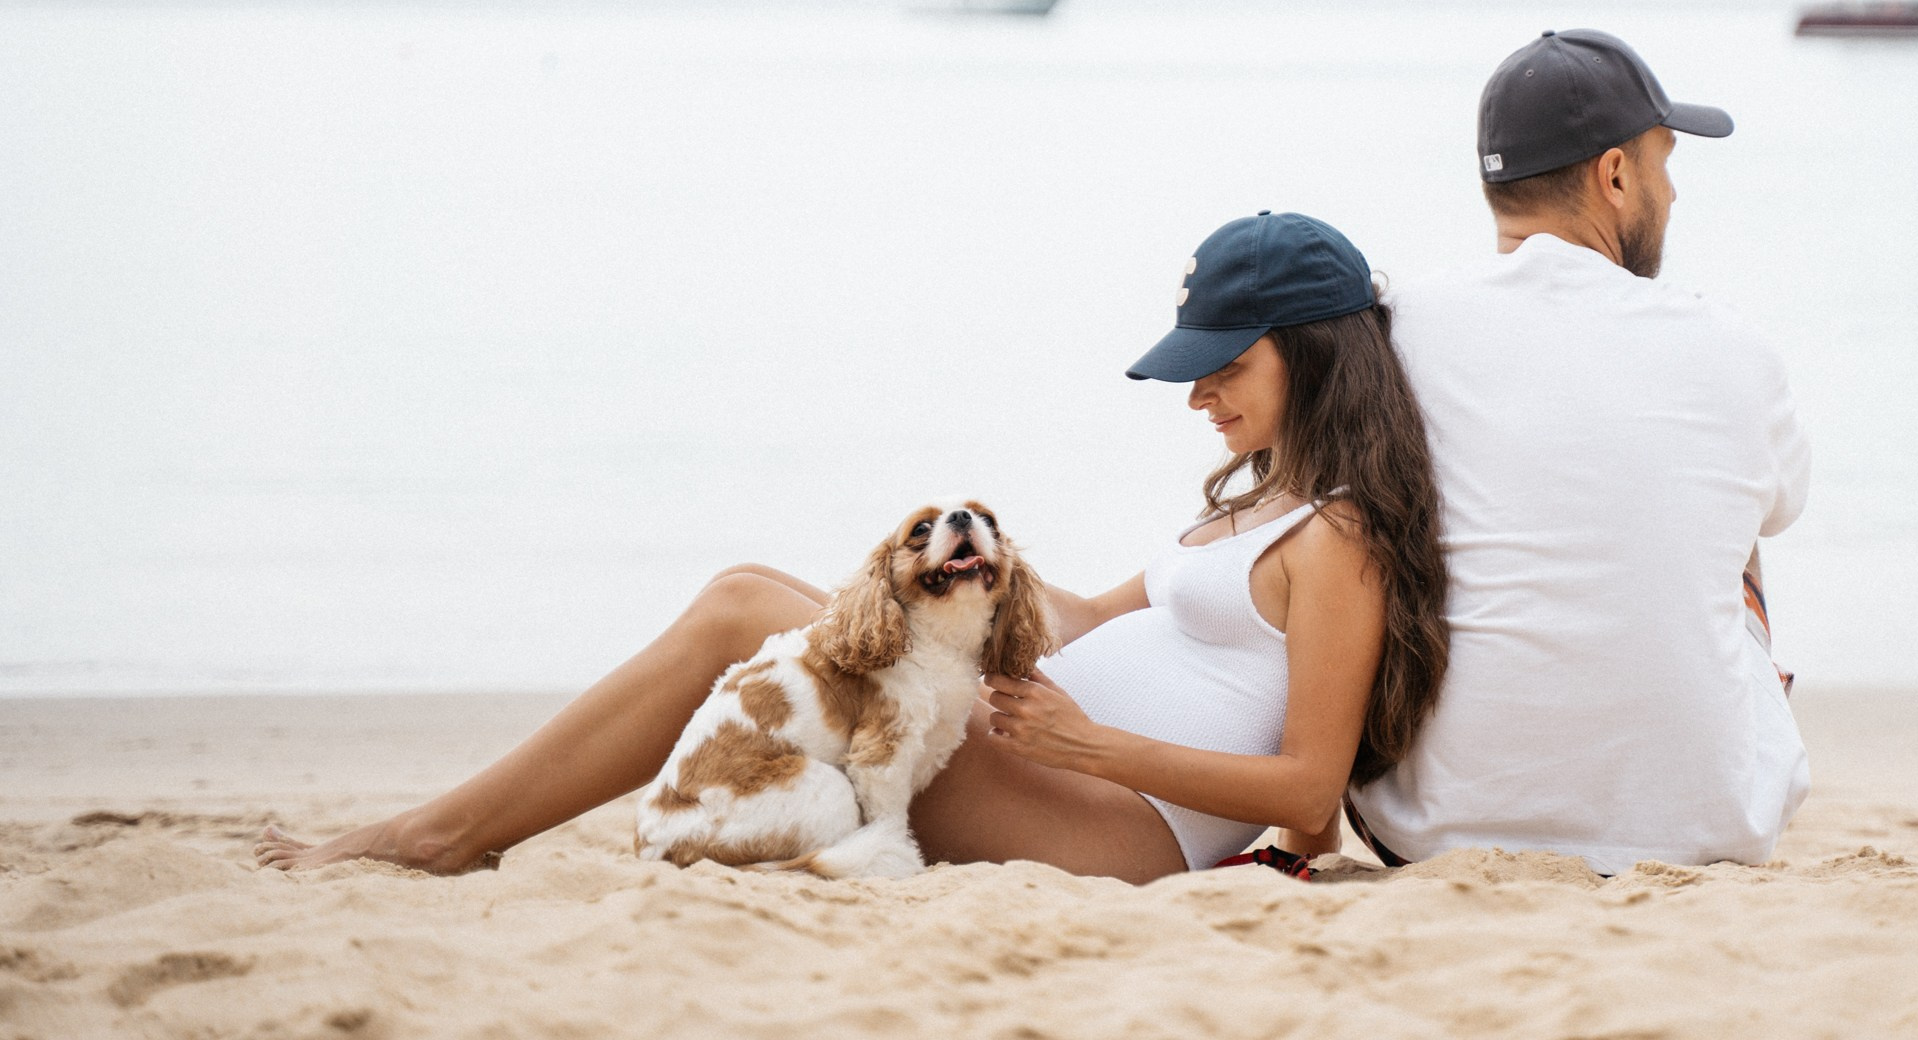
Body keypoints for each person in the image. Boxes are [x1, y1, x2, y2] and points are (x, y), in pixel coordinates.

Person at [257, 211, 1447, 885]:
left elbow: (1309, 790)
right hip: (1048, 756)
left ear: (1317, 352)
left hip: (1105, 822)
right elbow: (1090, 619)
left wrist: (1093, 741)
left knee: (739, 613)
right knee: (753, 589)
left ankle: (442, 836)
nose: (1197, 396)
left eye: (1225, 366)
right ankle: (454, 829)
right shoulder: (1266, 499)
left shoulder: (1339, 537)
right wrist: (964, 563)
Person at [1344, 29, 1810, 876]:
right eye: (1666, 163)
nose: (1674, 192)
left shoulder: (1394, 327)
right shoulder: (1731, 344)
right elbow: (1782, 509)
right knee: (1736, 526)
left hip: (1429, 827)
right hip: (1709, 829)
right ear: (1615, 175)